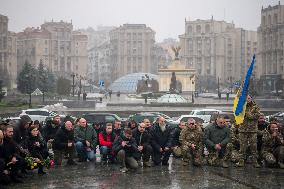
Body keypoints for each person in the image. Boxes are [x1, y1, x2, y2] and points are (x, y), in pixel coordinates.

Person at [236, 94, 261, 168]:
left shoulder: (255, 106)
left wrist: (249, 115)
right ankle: (241, 161)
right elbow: (237, 115)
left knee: (254, 146)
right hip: (243, 130)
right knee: (242, 147)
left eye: (249, 98)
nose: (248, 99)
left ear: (251, 99)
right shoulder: (241, 106)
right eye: (246, 98)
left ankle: (255, 161)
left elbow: (258, 115)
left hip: (252, 130)